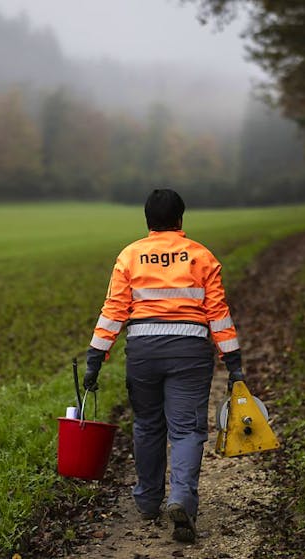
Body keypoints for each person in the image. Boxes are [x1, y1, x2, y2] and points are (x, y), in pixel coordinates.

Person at [82, 188, 245, 543]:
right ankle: (181, 498)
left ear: (148, 222)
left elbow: (113, 312)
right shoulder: (201, 256)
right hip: (190, 350)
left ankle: (147, 499)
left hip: (144, 351)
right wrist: (233, 361)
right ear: (180, 220)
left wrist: (95, 357)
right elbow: (218, 314)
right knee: (186, 429)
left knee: (147, 425)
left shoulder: (130, 255)